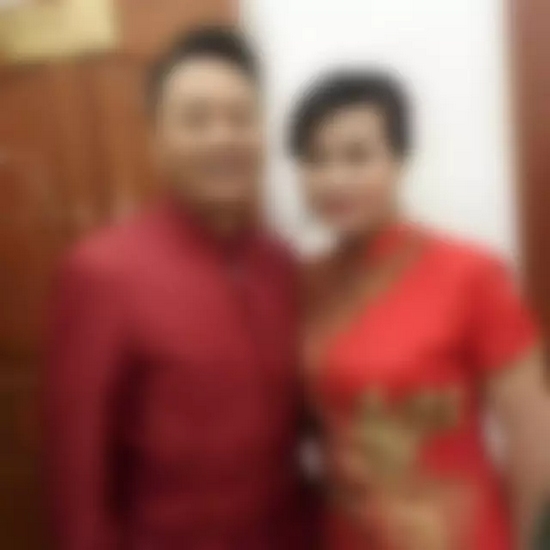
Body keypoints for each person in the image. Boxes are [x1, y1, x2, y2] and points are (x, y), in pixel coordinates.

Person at [45, 27, 315, 550]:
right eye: (197, 119)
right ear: (156, 140)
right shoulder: (102, 272)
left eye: (241, 117)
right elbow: (77, 476)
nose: (223, 137)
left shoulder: (281, 263)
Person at [289, 71, 550, 549]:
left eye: (357, 156)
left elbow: (532, 435)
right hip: (346, 534)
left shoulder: (472, 275)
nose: (335, 179)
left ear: (399, 160)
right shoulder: (306, 284)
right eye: (316, 159)